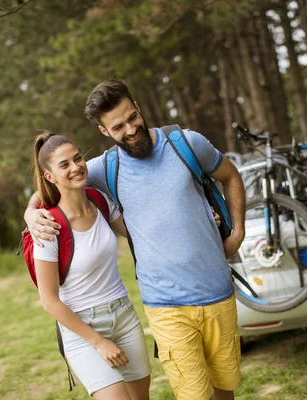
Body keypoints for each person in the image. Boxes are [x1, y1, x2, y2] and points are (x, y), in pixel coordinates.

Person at [25, 79, 247, 400]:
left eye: (133, 117)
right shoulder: (105, 168)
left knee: (225, 391)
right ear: (104, 132)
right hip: (166, 306)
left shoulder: (186, 143)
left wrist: (237, 232)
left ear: (138, 107)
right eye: (118, 127)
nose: (130, 130)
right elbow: (57, 182)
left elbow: (231, 176)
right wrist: (31, 212)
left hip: (218, 294)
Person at [31, 131, 151, 400]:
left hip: (123, 316)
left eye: (77, 158)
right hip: (82, 329)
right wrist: (98, 341)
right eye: (64, 165)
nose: (75, 167)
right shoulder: (48, 227)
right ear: (49, 176)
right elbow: (49, 300)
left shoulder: (100, 201)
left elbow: (139, 234)